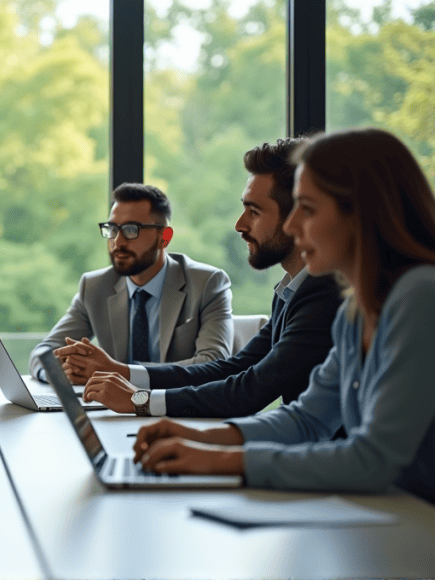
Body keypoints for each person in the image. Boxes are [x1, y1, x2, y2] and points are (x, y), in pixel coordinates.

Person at [133, 128, 435, 505]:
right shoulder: (356, 312)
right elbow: (306, 420)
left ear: (359, 213)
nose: (292, 226)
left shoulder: (420, 295)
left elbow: (372, 460)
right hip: (394, 521)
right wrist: (198, 440)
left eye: (306, 209)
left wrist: (222, 461)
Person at [81, 139, 343, 417]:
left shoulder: (325, 293)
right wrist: (122, 373)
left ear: (298, 216)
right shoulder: (291, 291)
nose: (239, 225)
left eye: (254, 212)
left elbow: (249, 391)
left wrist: (141, 401)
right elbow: (234, 368)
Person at [28, 183, 233, 384]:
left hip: (180, 409)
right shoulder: (95, 287)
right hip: (112, 413)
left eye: (131, 230)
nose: (117, 242)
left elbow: (213, 363)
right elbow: (44, 353)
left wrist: (120, 373)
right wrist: (60, 375)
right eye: (112, 229)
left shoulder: (207, 284)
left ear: (165, 237)